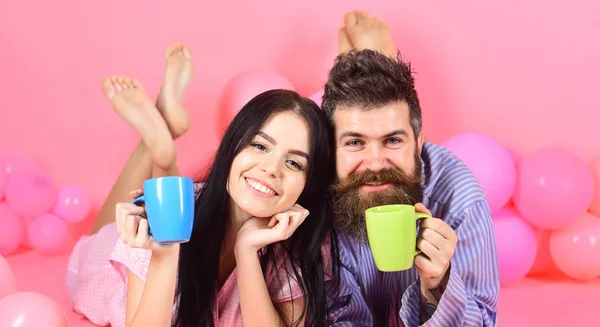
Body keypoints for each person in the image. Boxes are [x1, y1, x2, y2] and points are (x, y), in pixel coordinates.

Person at [66, 44, 339, 327]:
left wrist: (247, 252)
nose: (271, 169)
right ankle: (160, 147)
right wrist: (164, 254)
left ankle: (160, 145)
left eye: (294, 163)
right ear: (232, 147)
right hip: (109, 264)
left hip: (188, 207)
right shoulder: (158, 223)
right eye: (259, 146)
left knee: (169, 201)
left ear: (309, 184)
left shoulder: (295, 247)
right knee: (100, 237)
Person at [324, 10, 500, 326]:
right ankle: (370, 57)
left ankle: (370, 57)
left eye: (393, 140)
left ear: (419, 142)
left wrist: (437, 287)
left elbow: (484, 321)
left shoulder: (459, 197)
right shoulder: (308, 194)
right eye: (354, 143)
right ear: (331, 147)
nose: (375, 163)